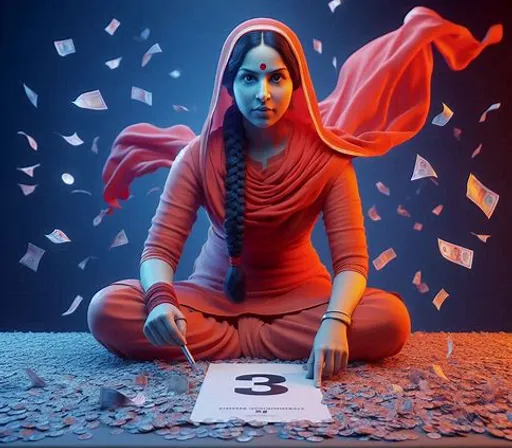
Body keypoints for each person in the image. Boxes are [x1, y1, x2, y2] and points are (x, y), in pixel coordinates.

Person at [87, 7, 502, 388]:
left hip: (302, 303)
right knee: (108, 309)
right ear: (230, 84)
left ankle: (235, 343)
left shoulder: (330, 160)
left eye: (276, 78)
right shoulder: (196, 157)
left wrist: (335, 321)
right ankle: (249, 339)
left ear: (296, 83)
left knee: (391, 320)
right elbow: (158, 249)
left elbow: (352, 262)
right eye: (249, 78)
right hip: (210, 301)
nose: (262, 93)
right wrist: (161, 302)